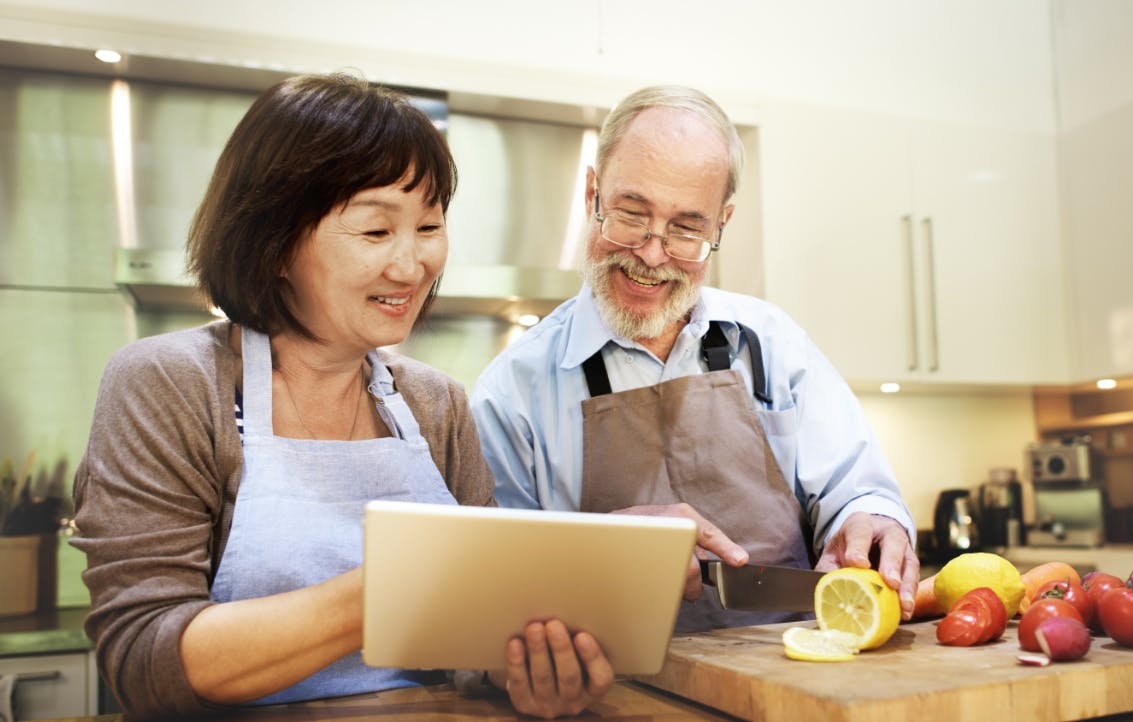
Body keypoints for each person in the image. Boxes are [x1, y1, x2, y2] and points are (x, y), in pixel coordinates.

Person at [71, 73, 611, 720]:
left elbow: (471, 648)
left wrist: (523, 668)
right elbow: (142, 662)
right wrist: (389, 589)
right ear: (275, 242)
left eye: (429, 226)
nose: (411, 266)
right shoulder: (171, 385)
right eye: (375, 232)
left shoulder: (435, 405)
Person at [470, 85, 920, 632]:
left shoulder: (772, 343)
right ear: (592, 193)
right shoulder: (511, 393)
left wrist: (869, 520)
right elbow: (493, 593)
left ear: (721, 225)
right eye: (631, 214)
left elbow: (857, 489)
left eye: (686, 228)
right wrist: (594, 554)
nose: (652, 254)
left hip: (795, 678)